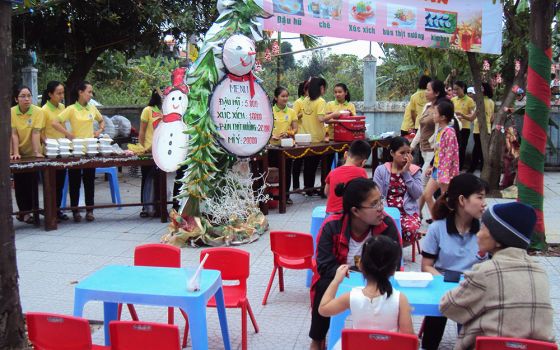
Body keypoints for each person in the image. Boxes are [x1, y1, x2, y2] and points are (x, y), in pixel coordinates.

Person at [440, 202, 555, 350]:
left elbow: (449, 306)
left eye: (483, 228)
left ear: (499, 237)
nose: (478, 234)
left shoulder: (486, 271)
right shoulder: (540, 272)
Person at [309, 178, 401, 350]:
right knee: (322, 286)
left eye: (381, 200)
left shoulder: (386, 225)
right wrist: (347, 273)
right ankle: (317, 339)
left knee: (391, 293)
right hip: (341, 278)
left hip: (376, 279)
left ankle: (384, 337)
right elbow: (324, 265)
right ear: (355, 211)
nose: (381, 207)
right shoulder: (332, 226)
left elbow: (394, 262)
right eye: (374, 204)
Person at [420, 173, 489, 350]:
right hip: (443, 289)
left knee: (469, 341)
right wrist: (447, 285)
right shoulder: (437, 228)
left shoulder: (485, 230)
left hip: (473, 290)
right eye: (479, 197)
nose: (484, 203)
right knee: (431, 338)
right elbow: (426, 266)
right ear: (462, 200)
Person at [318, 236, 414, 350]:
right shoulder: (400, 299)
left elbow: (323, 309)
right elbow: (408, 338)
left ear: (361, 265)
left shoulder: (352, 296)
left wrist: (336, 280)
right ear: (393, 270)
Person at [53, 81, 105, 222]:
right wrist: (68, 134)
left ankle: (90, 210)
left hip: (90, 150)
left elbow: (102, 121)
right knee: (74, 181)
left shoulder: (92, 108)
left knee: (89, 181)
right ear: (80, 92)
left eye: (91, 92)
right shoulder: (71, 109)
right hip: (75, 150)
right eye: (89, 92)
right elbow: (55, 122)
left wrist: (99, 130)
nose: (90, 95)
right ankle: (75, 211)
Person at [374, 137, 422, 244]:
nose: (406, 156)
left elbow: (417, 194)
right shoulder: (381, 170)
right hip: (386, 211)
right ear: (392, 153)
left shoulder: (414, 170)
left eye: (408, 152)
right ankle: (392, 248)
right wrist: (386, 212)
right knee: (380, 226)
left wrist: (406, 173)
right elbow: (377, 195)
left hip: (407, 213)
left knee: (411, 229)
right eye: (402, 153)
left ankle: (394, 249)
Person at [410, 79, 448, 218]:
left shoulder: (441, 109)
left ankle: (436, 217)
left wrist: (435, 142)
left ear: (437, 92)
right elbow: (421, 129)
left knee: (424, 186)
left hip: (434, 154)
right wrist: (412, 146)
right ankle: (417, 213)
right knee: (425, 188)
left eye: (428, 90)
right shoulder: (427, 106)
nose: (426, 92)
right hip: (424, 150)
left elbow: (445, 127)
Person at [11, 86, 44, 224]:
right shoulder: (11, 112)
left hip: (32, 151)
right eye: (22, 96)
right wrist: (16, 152)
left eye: (29, 95)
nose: (26, 99)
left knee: (32, 181)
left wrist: (37, 152)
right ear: (16, 99)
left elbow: (36, 133)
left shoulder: (38, 111)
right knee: (20, 182)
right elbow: (13, 134)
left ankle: (32, 211)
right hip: (17, 151)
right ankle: (23, 212)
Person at [422, 100, 460, 218]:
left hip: (445, 173)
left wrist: (444, 176)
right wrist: (432, 166)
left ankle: (447, 222)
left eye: (435, 113)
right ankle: (437, 220)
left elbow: (449, 156)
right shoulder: (440, 131)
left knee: (445, 200)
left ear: (443, 117)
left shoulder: (449, 132)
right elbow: (439, 152)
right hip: (437, 170)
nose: (433, 115)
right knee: (427, 195)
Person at [41, 81, 69, 222]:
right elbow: (41, 132)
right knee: (50, 184)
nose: (61, 96)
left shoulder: (63, 107)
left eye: (62, 93)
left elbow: (63, 128)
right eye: (58, 93)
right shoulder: (44, 110)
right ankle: (50, 211)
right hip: (50, 152)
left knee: (60, 182)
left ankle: (57, 210)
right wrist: (48, 144)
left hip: (61, 150)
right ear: (50, 94)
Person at [324, 139, 370, 214]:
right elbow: (366, 195)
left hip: (330, 215)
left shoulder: (333, 172)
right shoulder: (361, 172)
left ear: (345, 154)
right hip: (349, 216)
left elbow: (326, 192)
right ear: (364, 162)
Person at [302, 77, 330, 196]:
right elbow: (320, 118)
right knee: (320, 165)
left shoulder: (306, 100)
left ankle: (308, 189)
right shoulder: (321, 101)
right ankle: (323, 189)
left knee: (309, 165)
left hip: (305, 137)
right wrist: (335, 114)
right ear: (321, 88)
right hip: (317, 139)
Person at [270, 86, 298, 204]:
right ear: (276, 98)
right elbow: (264, 128)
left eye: (287, 96)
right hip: (271, 147)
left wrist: (288, 133)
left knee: (286, 171)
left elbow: (295, 129)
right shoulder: (269, 111)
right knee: (270, 171)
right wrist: (272, 136)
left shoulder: (291, 112)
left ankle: (285, 196)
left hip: (286, 146)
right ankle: (270, 195)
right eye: (282, 96)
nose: (285, 98)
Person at [138, 89, 162, 217]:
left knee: (159, 178)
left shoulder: (164, 111)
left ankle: (158, 205)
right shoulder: (147, 110)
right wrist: (142, 147)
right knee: (146, 177)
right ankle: (144, 206)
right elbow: (141, 131)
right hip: (148, 150)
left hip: (160, 150)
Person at [468, 83, 494, 173]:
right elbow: (492, 118)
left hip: (478, 129)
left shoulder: (480, 102)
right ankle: (481, 169)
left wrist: (462, 115)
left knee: (477, 151)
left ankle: (472, 169)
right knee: (482, 151)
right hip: (488, 129)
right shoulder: (491, 102)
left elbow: (472, 117)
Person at [451, 81, 476, 170]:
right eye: (454, 89)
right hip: (454, 127)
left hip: (465, 128)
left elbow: (472, 116)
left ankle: (459, 167)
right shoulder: (453, 100)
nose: (455, 91)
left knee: (461, 148)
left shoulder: (470, 100)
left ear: (463, 88)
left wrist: (463, 116)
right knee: (453, 147)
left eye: (457, 89)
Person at [292, 80, 308, 191]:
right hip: (300, 134)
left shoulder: (314, 101)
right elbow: (293, 117)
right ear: (304, 90)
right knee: (298, 161)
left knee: (308, 161)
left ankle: (308, 187)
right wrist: (301, 115)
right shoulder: (298, 102)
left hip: (309, 134)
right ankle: (296, 186)